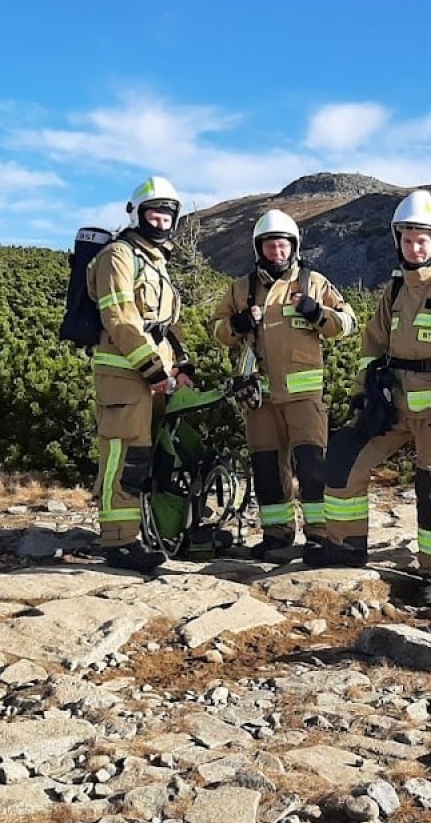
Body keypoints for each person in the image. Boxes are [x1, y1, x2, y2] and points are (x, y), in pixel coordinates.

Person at [315, 190, 431, 607]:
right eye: (407, 240)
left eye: (422, 240)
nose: (414, 248)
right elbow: (373, 345)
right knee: (342, 460)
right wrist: (362, 394)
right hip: (393, 405)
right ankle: (345, 546)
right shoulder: (395, 289)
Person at [212, 209, 357, 561]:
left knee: (313, 467)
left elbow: (349, 323)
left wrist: (317, 313)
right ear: (258, 249)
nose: (276, 252)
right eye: (269, 246)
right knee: (267, 470)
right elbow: (217, 330)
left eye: (282, 245)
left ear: (293, 246)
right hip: (259, 398)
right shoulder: (241, 288)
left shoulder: (314, 282)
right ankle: (277, 534)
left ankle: (320, 535)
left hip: (304, 397)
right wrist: (238, 323)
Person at [89, 175, 194, 574]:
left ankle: (136, 532)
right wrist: (151, 368)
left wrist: (181, 362)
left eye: (167, 216)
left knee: (146, 456)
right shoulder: (118, 255)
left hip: (153, 375)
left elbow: (164, 324)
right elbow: (120, 318)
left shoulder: (155, 261)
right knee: (125, 455)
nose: (161, 222)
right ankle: (118, 542)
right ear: (137, 214)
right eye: (154, 214)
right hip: (125, 374)